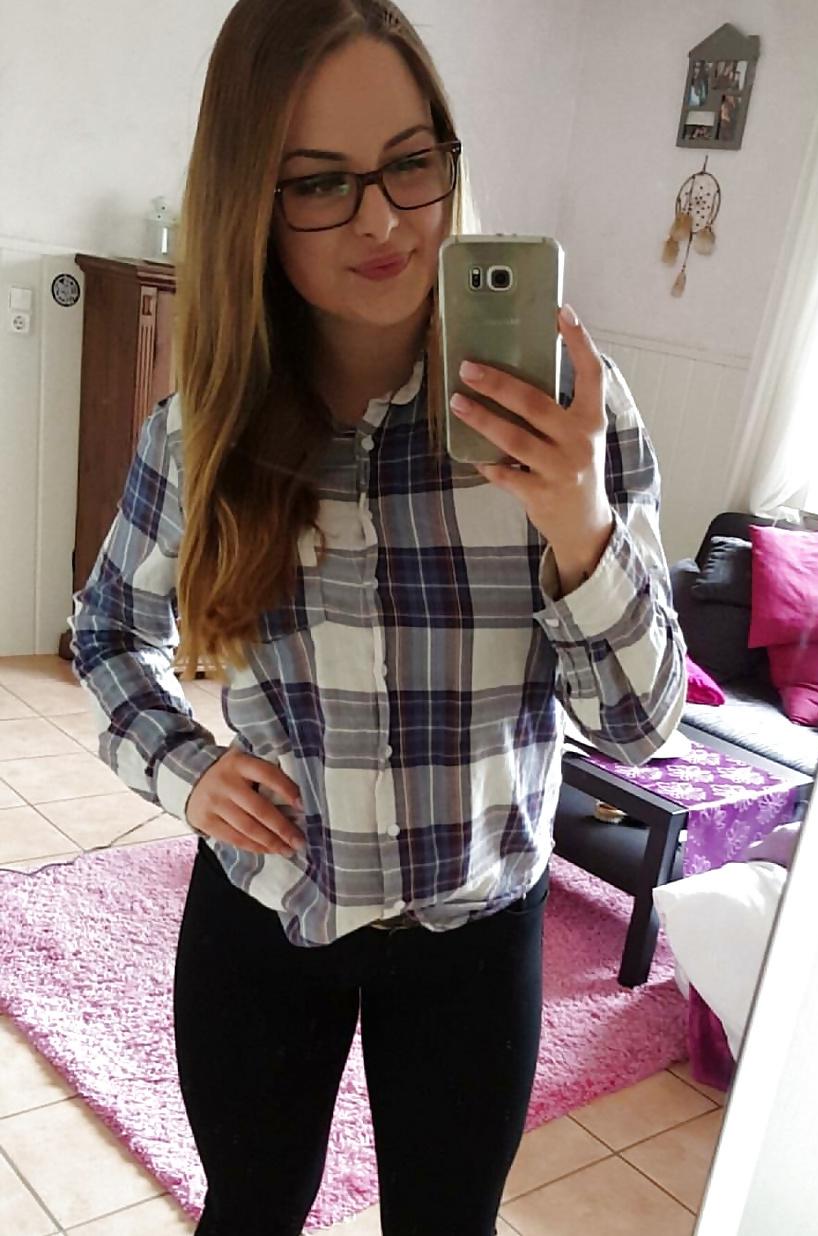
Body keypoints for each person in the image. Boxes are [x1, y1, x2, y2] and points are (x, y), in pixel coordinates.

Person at [68, 2, 687, 1233]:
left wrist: (576, 520)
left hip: (479, 933)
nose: (384, 220)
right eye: (319, 182)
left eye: (412, 162)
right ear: (250, 198)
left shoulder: (569, 408)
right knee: (250, 1213)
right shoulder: (202, 432)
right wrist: (187, 770)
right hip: (268, 910)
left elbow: (640, 726)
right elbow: (106, 635)